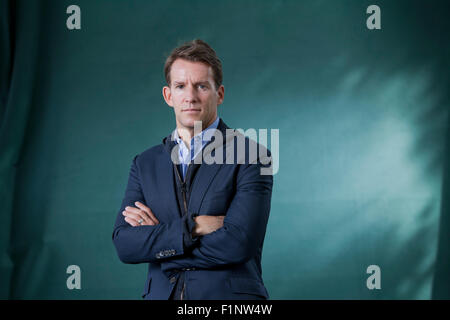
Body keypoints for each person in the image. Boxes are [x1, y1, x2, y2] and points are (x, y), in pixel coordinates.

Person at [112, 39, 273, 300]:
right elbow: (125, 245)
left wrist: (160, 247)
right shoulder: (144, 163)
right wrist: (194, 227)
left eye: (201, 86)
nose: (190, 97)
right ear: (168, 95)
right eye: (180, 86)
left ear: (219, 93)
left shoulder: (252, 156)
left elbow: (238, 243)